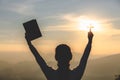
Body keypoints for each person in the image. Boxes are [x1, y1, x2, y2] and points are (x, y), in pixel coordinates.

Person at [25, 31, 94, 80]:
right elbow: (85, 58)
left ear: (56, 57)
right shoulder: (76, 75)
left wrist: (29, 44)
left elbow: (39, 59)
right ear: (70, 56)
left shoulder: (51, 76)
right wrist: (90, 41)